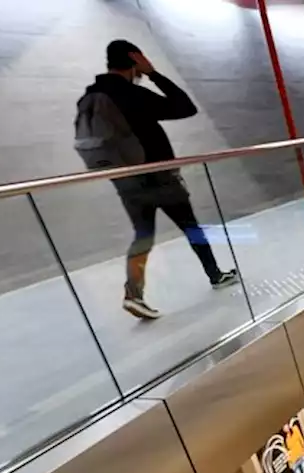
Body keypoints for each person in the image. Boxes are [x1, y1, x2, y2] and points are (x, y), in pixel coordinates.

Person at [76, 40, 238, 321]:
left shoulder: (89, 98)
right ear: (134, 58)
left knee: (143, 236)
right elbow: (185, 107)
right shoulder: (129, 94)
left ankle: (134, 294)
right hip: (158, 178)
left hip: (125, 181)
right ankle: (216, 275)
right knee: (191, 227)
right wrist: (153, 73)